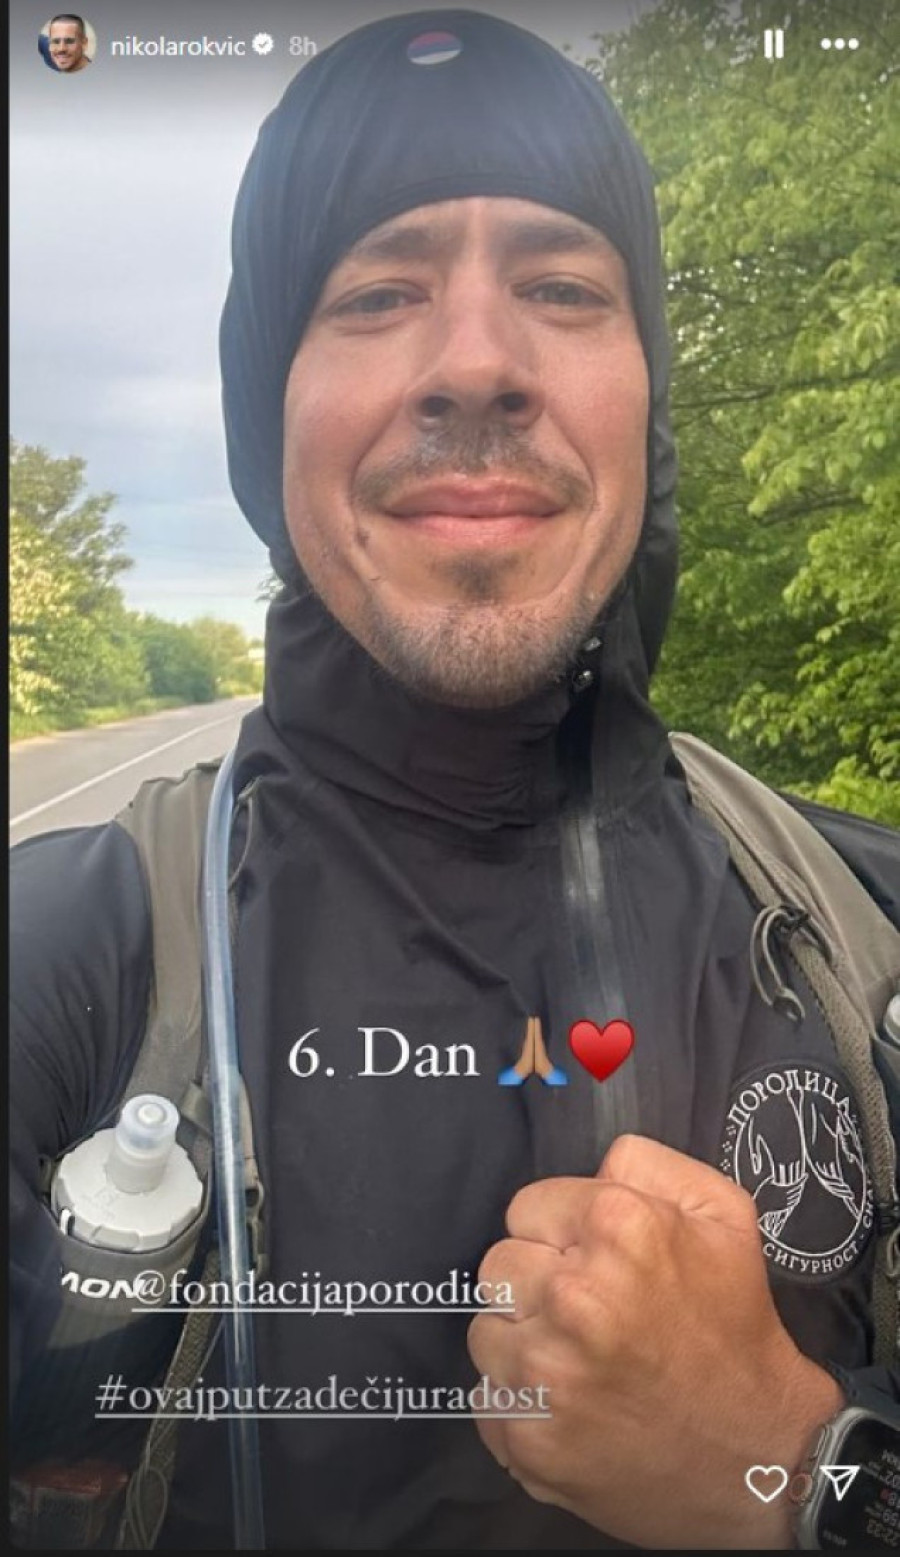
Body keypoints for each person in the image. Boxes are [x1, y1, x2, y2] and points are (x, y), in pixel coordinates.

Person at [10, 9, 899, 1550]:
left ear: (647, 396)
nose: (478, 363)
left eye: (561, 287)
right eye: (377, 293)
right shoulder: (58, 967)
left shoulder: (866, 935)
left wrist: (807, 1466)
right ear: (264, 414)